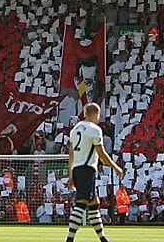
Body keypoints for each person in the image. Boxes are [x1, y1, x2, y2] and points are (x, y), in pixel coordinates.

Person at [66, 102, 125, 242]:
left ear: (85, 113)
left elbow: (71, 154)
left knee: (94, 203)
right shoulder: (95, 129)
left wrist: (70, 175)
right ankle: (69, 239)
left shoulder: (75, 129)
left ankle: (103, 238)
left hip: (77, 168)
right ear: (97, 114)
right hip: (87, 169)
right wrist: (116, 167)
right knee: (82, 202)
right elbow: (102, 154)